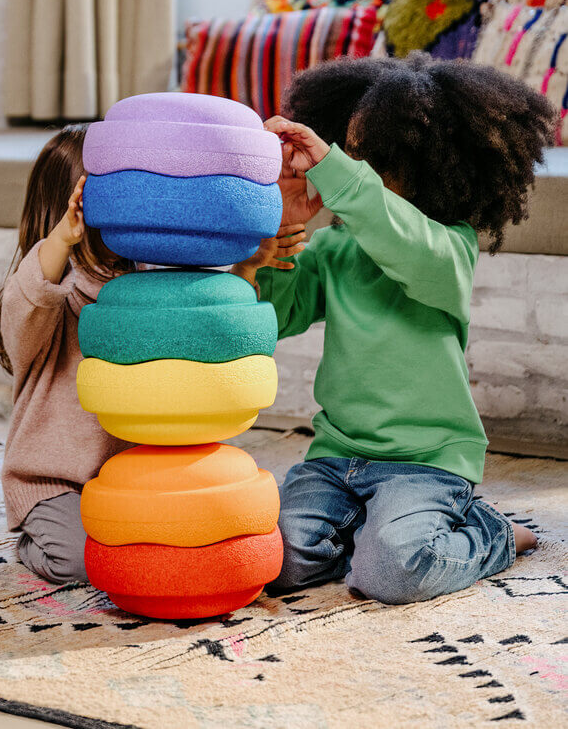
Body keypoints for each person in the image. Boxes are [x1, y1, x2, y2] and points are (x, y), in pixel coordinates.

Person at [231, 53, 556, 604]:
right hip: (335, 455)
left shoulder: (450, 247)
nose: (360, 172)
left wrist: (334, 169)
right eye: (354, 156)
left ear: (433, 167)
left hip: (425, 462)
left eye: (376, 162)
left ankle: (492, 532)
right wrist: (273, 241)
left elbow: (402, 240)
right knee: (272, 562)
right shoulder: (335, 247)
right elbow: (276, 319)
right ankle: (372, 531)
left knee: (394, 573)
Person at [0, 125, 135, 583]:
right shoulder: (49, 291)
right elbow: (27, 303)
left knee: (158, 543)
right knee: (80, 562)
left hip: (127, 475)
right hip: (53, 483)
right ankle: (32, 542)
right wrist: (60, 241)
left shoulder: (138, 281)